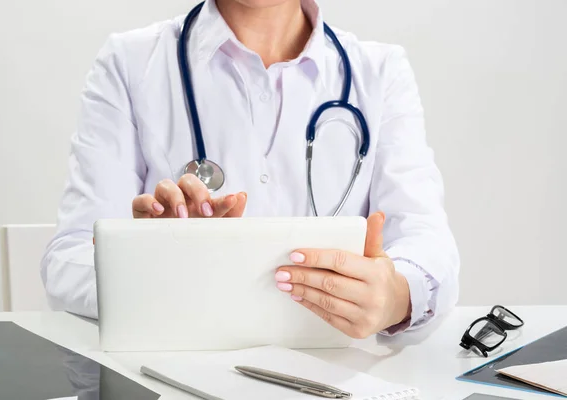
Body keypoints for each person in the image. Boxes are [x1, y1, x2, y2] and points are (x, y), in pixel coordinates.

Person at [41, 0, 460, 338]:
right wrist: (147, 261)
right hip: (178, 373)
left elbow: (426, 241)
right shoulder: (130, 63)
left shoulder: (380, 71)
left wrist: (395, 295)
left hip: (337, 373)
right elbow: (68, 261)